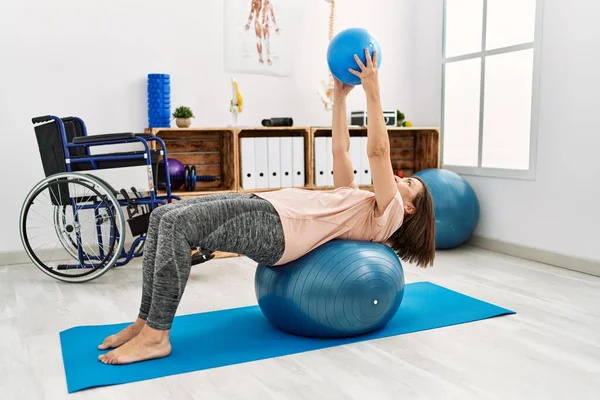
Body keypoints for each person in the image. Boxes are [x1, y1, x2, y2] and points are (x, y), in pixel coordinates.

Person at [97, 49, 436, 365]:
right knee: (162, 215)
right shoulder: (359, 200)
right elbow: (340, 151)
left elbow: (377, 152)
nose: (398, 179)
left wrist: (373, 90)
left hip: (277, 229)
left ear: (409, 210)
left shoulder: (387, 215)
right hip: (269, 207)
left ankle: (157, 337)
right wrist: (341, 97)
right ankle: (144, 323)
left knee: (178, 226)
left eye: (408, 184)